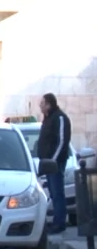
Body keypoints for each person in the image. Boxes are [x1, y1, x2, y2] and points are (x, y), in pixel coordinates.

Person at [37, 93, 71, 234]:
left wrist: (53, 160)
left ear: (50, 104)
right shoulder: (47, 119)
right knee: (52, 191)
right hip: (47, 163)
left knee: (57, 192)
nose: (40, 105)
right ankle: (56, 221)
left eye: (43, 103)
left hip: (55, 163)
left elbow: (62, 141)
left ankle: (60, 222)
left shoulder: (60, 118)